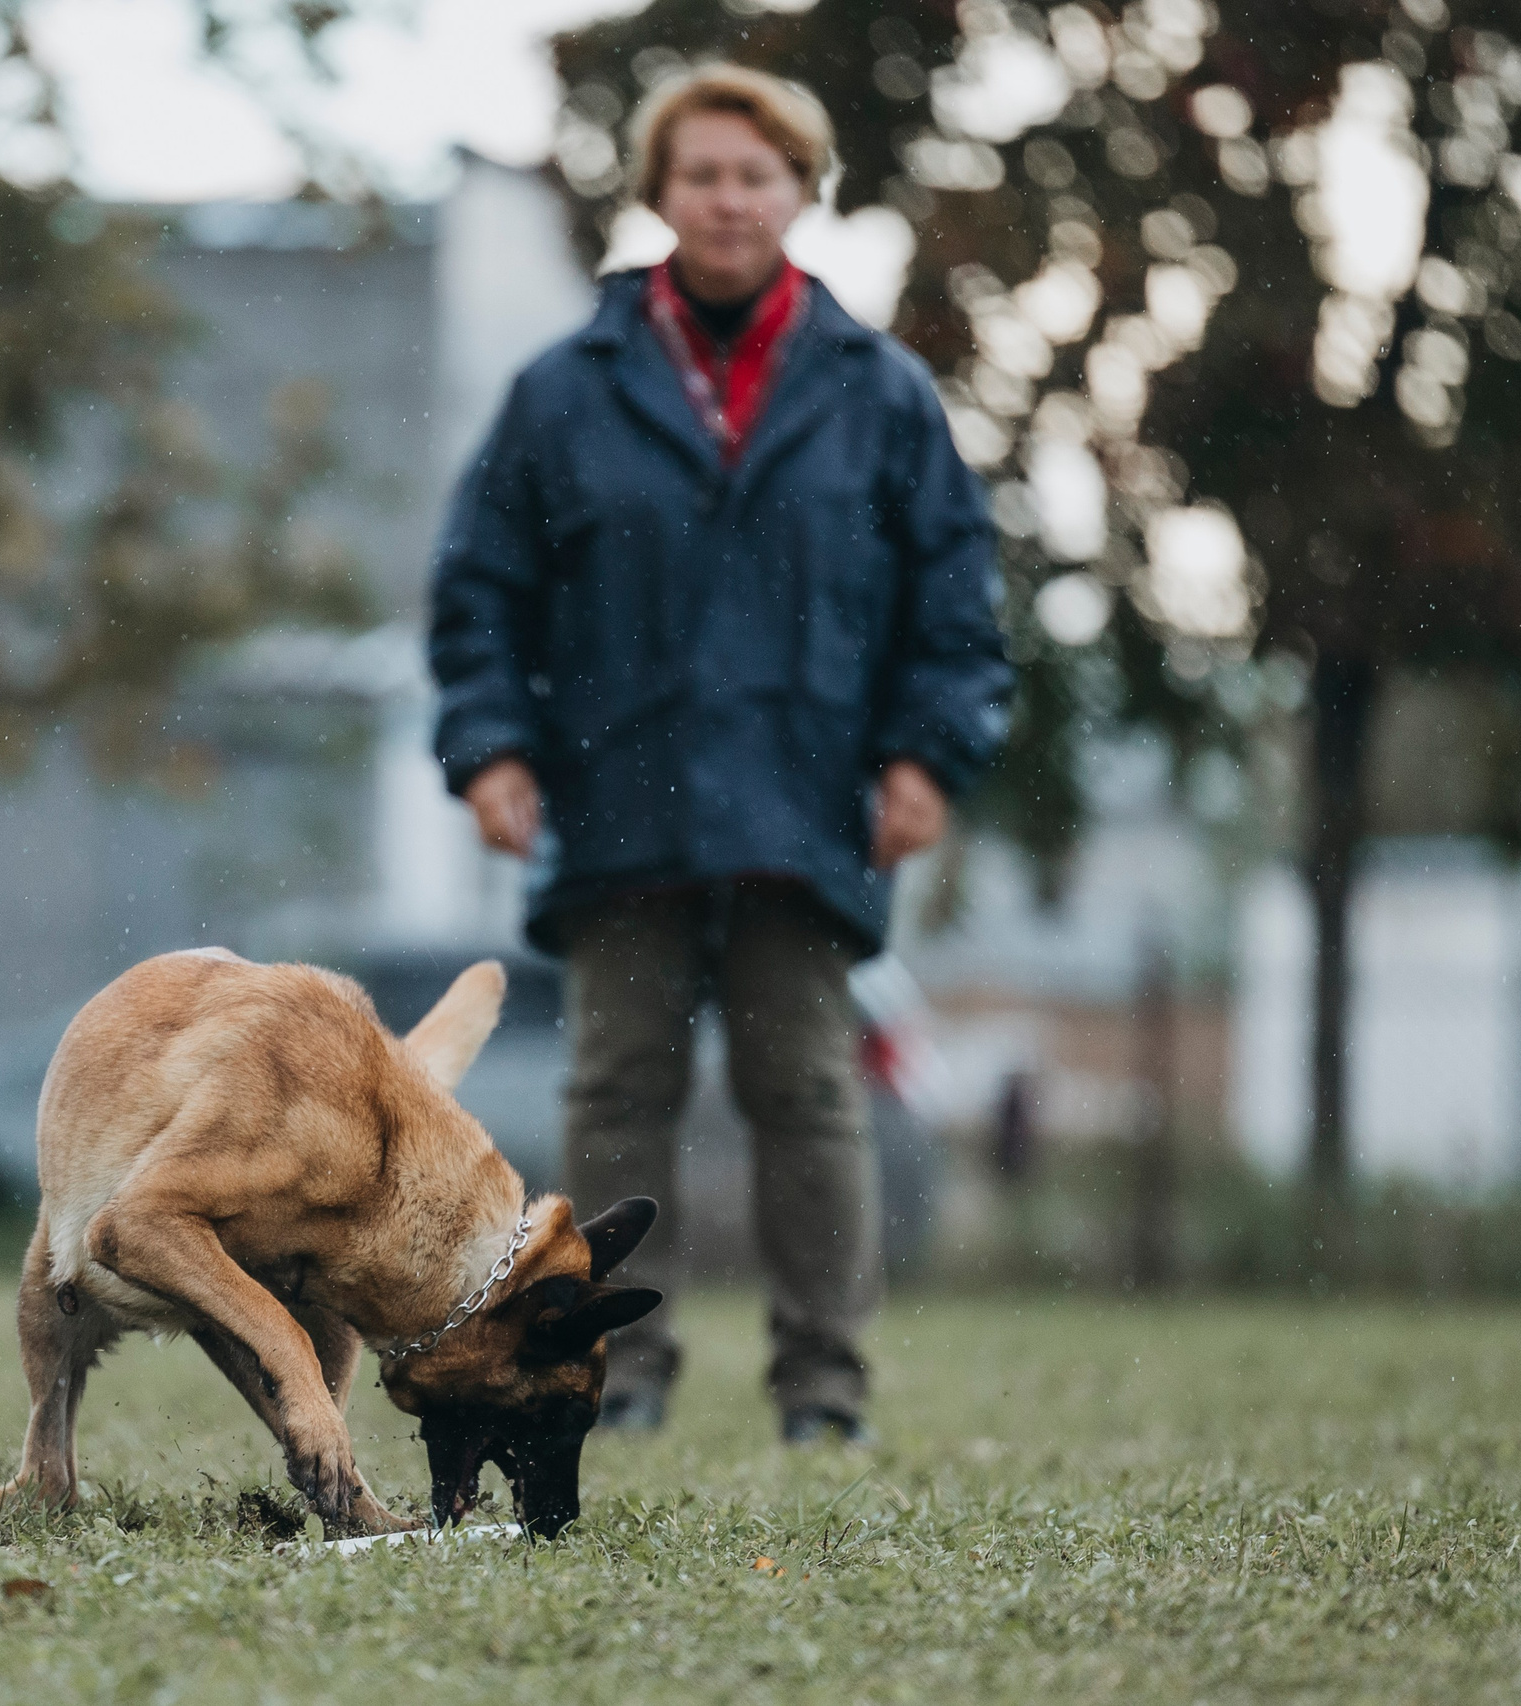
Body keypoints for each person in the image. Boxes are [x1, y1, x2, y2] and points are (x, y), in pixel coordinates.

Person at [426, 65, 1012, 1444]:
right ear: (660, 193)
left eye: (758, 174)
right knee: (618, 1094)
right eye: (703, 174)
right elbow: (478, 591)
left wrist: (928, 755)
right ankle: (613, 1379)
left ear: (802, 190)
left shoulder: (881, 395)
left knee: (809, 1097)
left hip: (809, 809)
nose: (731, 198)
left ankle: (825, 1392)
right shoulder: (561, 394)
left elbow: (957, 604)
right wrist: (491, 747)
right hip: (618, 796)